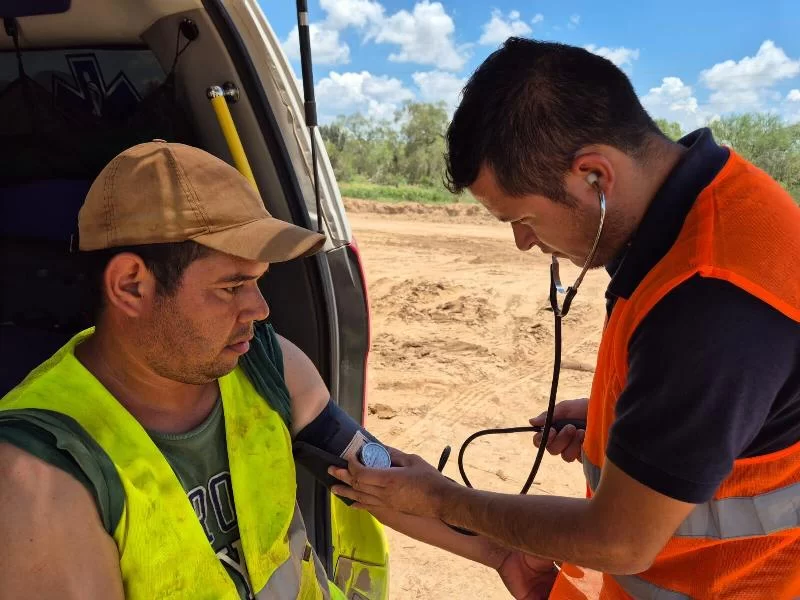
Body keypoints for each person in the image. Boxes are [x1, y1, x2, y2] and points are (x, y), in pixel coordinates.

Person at [329, 38, 800, 599]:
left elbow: (621, 542)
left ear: (594, 177)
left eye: (523, 217)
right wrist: (622, 420)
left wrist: (440, 499)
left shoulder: (710, 296)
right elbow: (737, 411)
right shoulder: (708, 214)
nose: (524, 242)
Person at [0, 140, 561, 599]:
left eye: (259, 280)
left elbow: (377, 478)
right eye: (232, 286)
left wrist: (500, 550)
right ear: (131, 286)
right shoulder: (41, 472)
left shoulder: (265, 365)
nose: (260, 309)